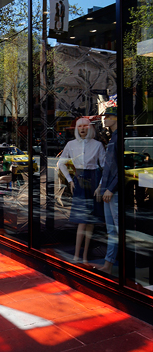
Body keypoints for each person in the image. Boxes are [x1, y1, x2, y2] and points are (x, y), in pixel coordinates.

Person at [57, 117, 106, 264]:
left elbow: (104, 167)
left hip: (94, 180)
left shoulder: (97, 145)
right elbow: (61, 163)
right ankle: (77, 255)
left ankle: (84, 256)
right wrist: (70, 180)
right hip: (80, 181)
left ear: (90, 128)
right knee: (82, 221)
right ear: (76, 129)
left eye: (85, 126)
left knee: (90, 222)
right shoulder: (71, 144)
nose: (83, 129)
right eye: (80, 126)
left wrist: (100, 185)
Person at [96, 107, 119, 275]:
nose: (105, 119)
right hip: (107, 190)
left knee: (118, 229)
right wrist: (101, 186)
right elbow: (108, 168)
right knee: (111, 230)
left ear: (117, 118)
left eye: (109, 116)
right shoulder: (112, 138)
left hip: (113, 192)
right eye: (105, 116)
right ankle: (108, 265)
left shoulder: (119, 138)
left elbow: (121, 168)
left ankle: (119, 268)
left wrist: (110, 188)